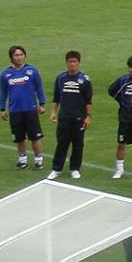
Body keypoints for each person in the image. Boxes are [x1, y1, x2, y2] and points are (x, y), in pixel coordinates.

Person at [0, 45, 47, 171]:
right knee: (19, 137)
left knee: (35, 137)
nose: (19, 57)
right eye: (16, 55)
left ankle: (38, 160)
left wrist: (42, 104)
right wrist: (2, 108)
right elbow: (3, 92)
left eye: (21, 55)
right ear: (11, 57)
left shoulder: (32, 71)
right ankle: (22, 160)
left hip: (30, 109)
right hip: (15, 110)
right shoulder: (5, 74)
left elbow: (39, 88)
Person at [46, 50, 91, 180]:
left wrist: (88, 116)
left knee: (78, 144)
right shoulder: (61, 78)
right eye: (70, 62)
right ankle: (56, 169)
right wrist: (53, 112)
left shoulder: (85, 80)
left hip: (79, 118)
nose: (72, 64)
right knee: (62, 143)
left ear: (79, 63)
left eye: (75, 62)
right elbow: (56, 98)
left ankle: (75, 168)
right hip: (64, 117)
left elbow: (88, 101)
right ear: (66, 63)